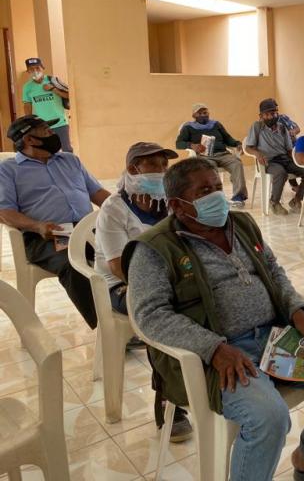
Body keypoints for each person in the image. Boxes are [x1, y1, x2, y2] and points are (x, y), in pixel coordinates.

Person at [124, 158, 304, 481]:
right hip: (219, 356)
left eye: (217, 186)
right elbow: (149, 316)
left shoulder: (242, 225)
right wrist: (214, 348)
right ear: (178, 206)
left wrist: (295, 310)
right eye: (204, 191)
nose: (216, 196)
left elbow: (274, 272)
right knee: (268, 416)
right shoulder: (154, 249)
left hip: (274, 338)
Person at [93, 141, 193, 441]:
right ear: (134, 169)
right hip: (121, 285)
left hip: (165, 277)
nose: (163, 172)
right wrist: (165, 282)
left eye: (165, 166)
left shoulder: (166, 202)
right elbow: (116, 267)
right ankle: (168, 401)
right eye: (155, 166)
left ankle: (202, 380)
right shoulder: (114, 209)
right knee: (162, 315)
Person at [0, 115, 110, 328]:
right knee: (73, 265)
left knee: (128, 251)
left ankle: (131, 314)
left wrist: (124, 208)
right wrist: (37, 226)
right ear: (30, 139)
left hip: (88, 230)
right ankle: (106, 328)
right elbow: (5, 212)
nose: (54, 134)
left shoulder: (70, 160)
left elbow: (97, 193)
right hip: (49, 235)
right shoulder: (8, 170)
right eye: (46, 131)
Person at [175, 104, 247, 207]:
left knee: (237, 164)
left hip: (223, 154)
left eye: (206, 112)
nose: (204, 115)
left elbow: (227, 138)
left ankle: (239, 198)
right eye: (201, 113)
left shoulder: (216, 124)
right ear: (194, 115)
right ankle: (217, 198)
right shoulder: (188, 127)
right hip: (205, 156)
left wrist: (237, 144)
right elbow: (179, 144)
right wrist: (192, 145)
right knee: (210, 168)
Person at [244, 99, 304, 215]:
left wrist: (296, 161)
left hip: (285, 159)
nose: (271, 116)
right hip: (270, 161)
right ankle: (274, 202)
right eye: (267, 114)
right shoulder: (257, 126)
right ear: (261, 116)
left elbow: (288, 149)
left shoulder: (282, 127)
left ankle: (296, 199)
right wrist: (257, 154)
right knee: (280, 173)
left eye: (274, 113)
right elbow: (248, 148)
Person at [22, 57, 72, 152]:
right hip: (42, 125)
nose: (35, 71)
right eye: (31, 69)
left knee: (67, 150)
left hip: (60, 122)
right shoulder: (27, 87)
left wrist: (53, 89)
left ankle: (69, 167)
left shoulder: (53, 80)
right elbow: (27, 105)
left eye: (37, 68)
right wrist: (29, 122)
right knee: (47, 151)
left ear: (43, 68)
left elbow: (69, 95)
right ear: (28, 71)